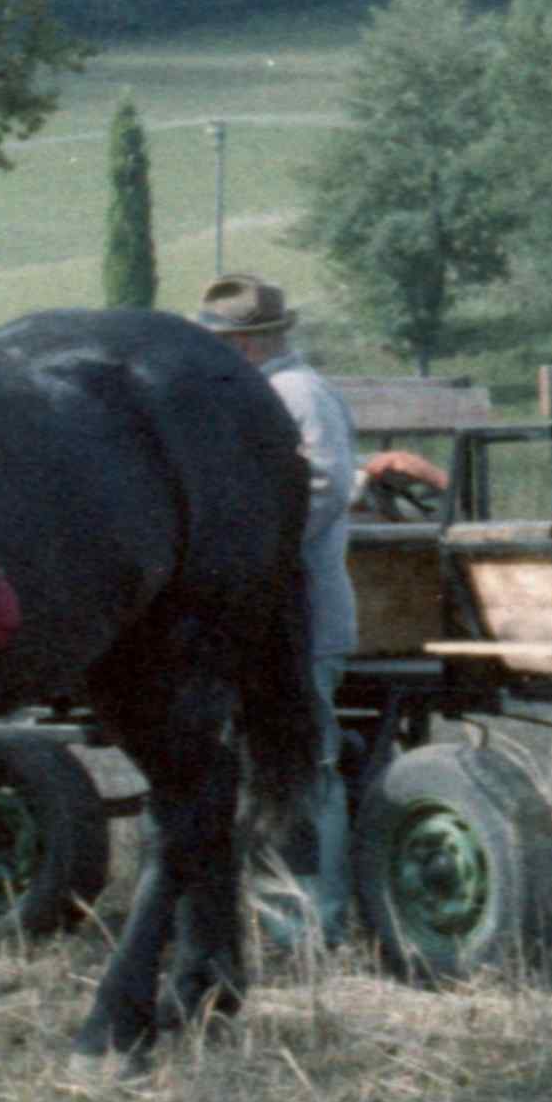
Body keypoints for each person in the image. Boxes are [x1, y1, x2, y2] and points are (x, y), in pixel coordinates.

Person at [195, 273, 356, 947]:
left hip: (303, 613)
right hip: (272, 615)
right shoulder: (266, 394)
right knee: (275, 765)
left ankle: (312, 923)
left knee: (305, 766)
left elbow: (326, 485)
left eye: (220, 342)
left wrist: (245, 548)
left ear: (247, 343)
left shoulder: (297, 394)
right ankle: (285, 918)